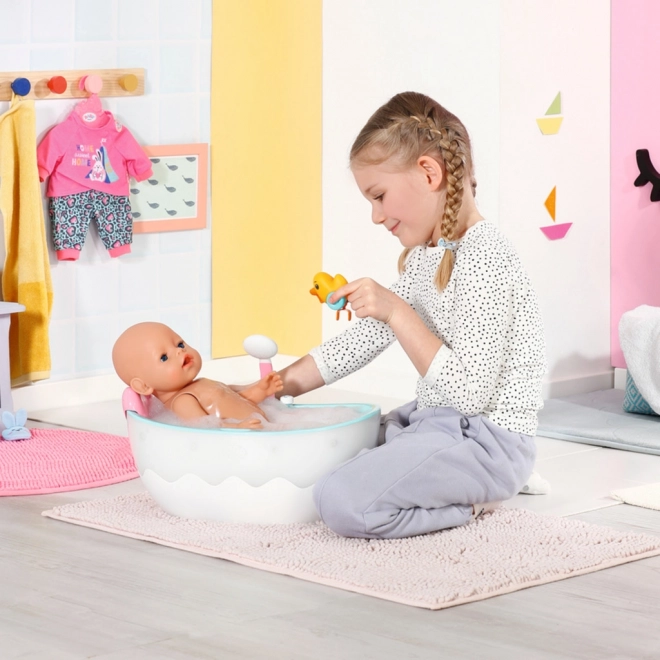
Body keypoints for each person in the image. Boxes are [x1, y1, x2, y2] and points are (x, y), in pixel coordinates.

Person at [274, 91, 547, 539]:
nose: (376, 216)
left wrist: (397, 311)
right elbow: (362, 339)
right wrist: (276, 384)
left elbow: (471, 397)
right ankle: (448, 479)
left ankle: (480, 500)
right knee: (328, 444)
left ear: (429, 172)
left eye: (379, 196)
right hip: (435, 422)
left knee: (341, 501)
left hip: (487, 442)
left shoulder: (487, 258)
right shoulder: (430, 254)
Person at [113, 322, 282, 428]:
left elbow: (235, 402)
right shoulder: (182, 401)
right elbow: (207, 429)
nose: (180, 351)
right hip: (249, 439)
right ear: (144, 386)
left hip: (265, 430)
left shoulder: (200, 384)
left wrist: (261, 391)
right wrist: (238, 428)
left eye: (180, 344)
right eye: (164, 357)